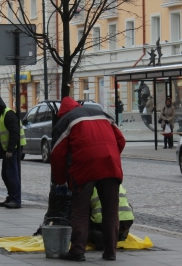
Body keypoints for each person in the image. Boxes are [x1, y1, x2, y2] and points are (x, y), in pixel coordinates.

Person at [50, 97, 125, 262]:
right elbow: (121, 140)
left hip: (85, 167)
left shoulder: (66, 121)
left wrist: (61, 181)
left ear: (62, 113)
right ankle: (110, 252)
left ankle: (77, 251)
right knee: (111, 211)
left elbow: (57, 155)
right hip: (110, 165)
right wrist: (110, 156)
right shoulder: (102, 114)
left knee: (80, 210)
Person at [0, 93, 26, 209]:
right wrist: (0, 150)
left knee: (12, 174)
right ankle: (11, 196)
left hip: (13, 149)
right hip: (7, 150)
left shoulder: (8, 115)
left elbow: (15, 133)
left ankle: (16, 200)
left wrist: (10, 150)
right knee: (5, 174)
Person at [88, 184, 134, 251]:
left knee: (83, 219)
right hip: (126, 221)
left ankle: (96, 236)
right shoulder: (118, 183)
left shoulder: (91, 185)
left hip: (101, 223)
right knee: (124, 211)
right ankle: (121, 235)